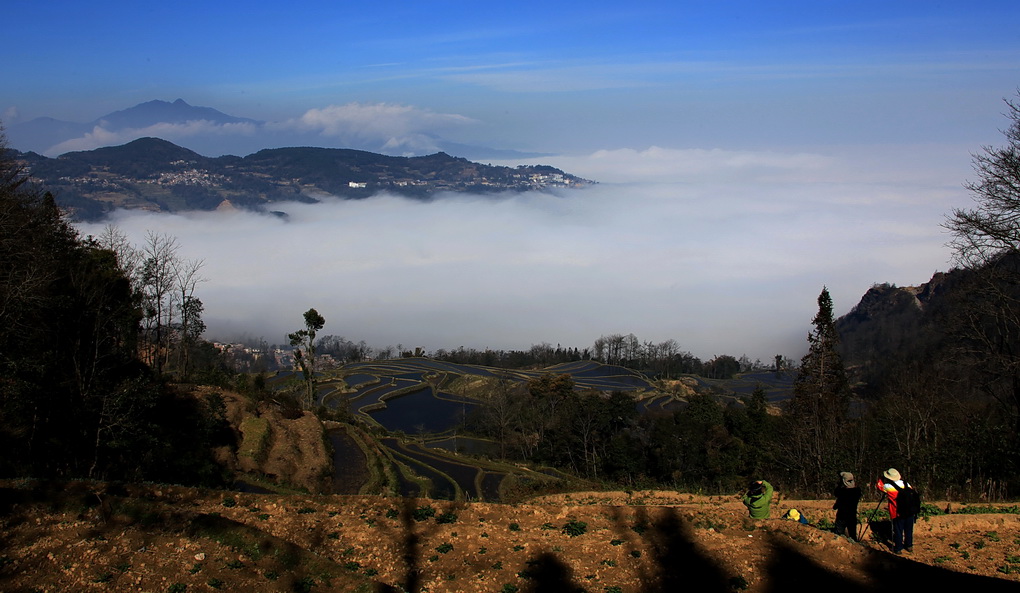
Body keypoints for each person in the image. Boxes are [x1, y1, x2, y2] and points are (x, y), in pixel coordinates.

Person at [876, 468, 916, 553]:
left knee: (898, 530)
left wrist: (880, 478)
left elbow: (879, 486)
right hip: (909, 512)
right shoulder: (907, 484)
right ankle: (909, 546)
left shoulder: (888, 487)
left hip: (897, 512)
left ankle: (898, 548)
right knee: (909, 530)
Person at [833, 471, 861, 541]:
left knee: (838, 534)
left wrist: (840, 483)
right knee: (853, 535)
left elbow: (836, 493)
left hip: (842, 516)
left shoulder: (843, 492)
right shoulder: (857, 491)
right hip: (852, 515)